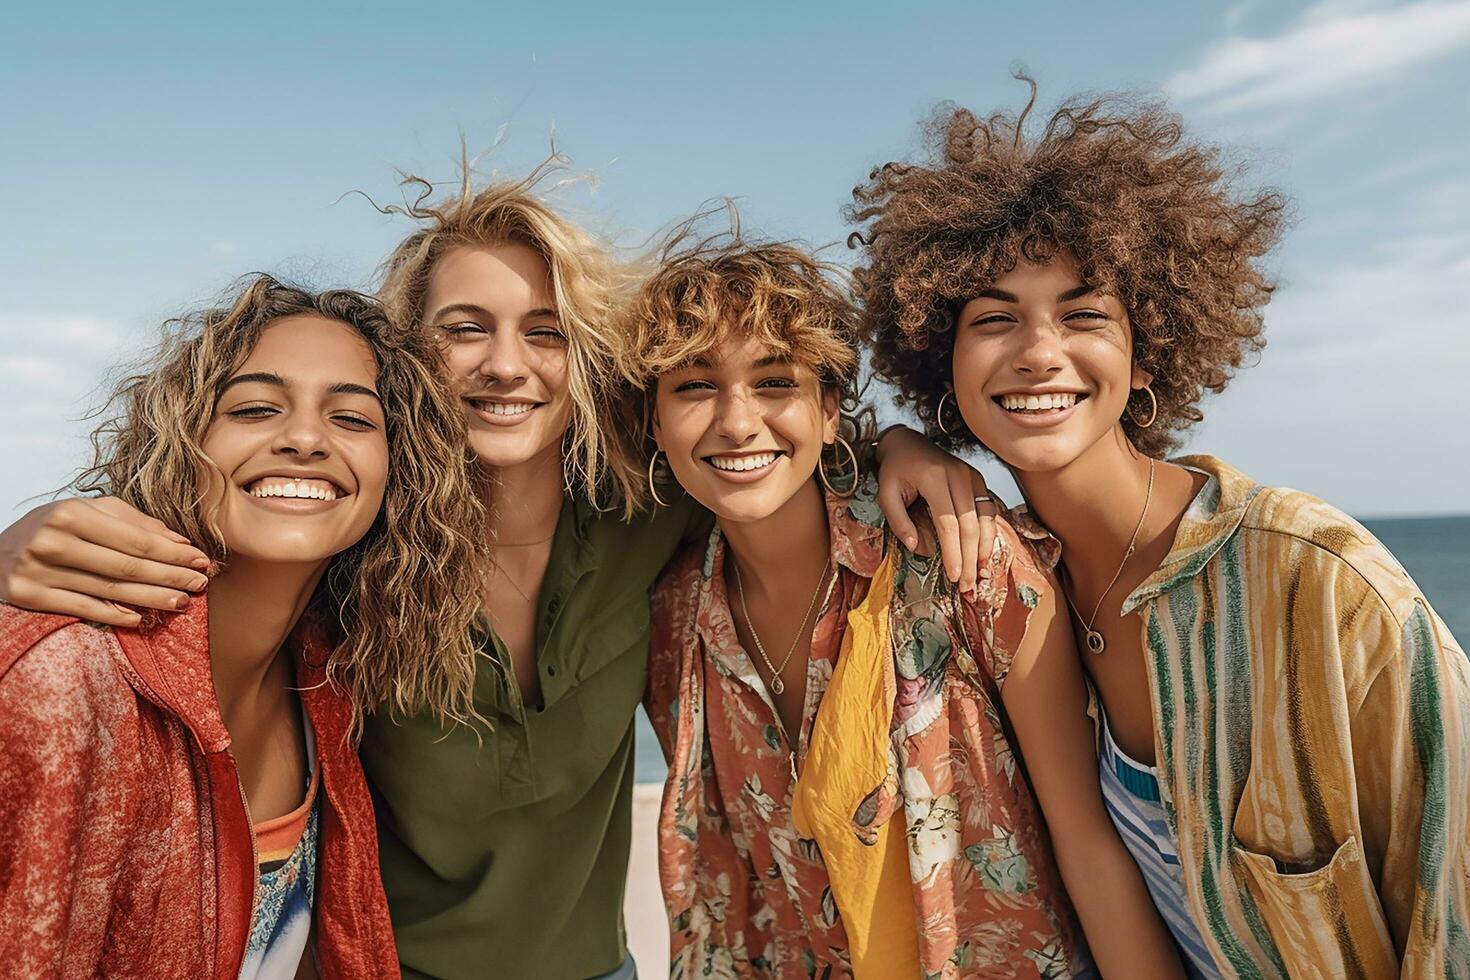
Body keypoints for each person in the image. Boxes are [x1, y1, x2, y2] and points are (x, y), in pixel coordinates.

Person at [0, 163, 1001, 979]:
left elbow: (759, 446)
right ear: (408, 359)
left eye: (545, 332)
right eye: (465, 328)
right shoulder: (352, 553)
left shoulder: (646, 518)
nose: (506, 365)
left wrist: (901, 447)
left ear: (589, 357)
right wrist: (20, 548)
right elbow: (207, 552)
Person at [850, 83, 1470, 978]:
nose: (1036, 349)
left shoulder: (1316, 578)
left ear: (1147, 355)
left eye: (1083, 314)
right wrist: (890, 441)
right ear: (940, 366)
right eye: (993, 318)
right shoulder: (1008, 577)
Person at [627, 226, 1185, 978]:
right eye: (695, 386)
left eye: (774, 382)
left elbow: (1089, 847)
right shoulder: (671, 618)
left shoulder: (964, 562)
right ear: (655, 422)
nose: (736, 420)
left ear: (830, 411)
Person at [0, 276, 486, 978]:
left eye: (352, 419)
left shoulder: (331, 680)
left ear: (394, 475)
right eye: (256, 408)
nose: (306, 438)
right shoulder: (61, 683)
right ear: (181, 442)